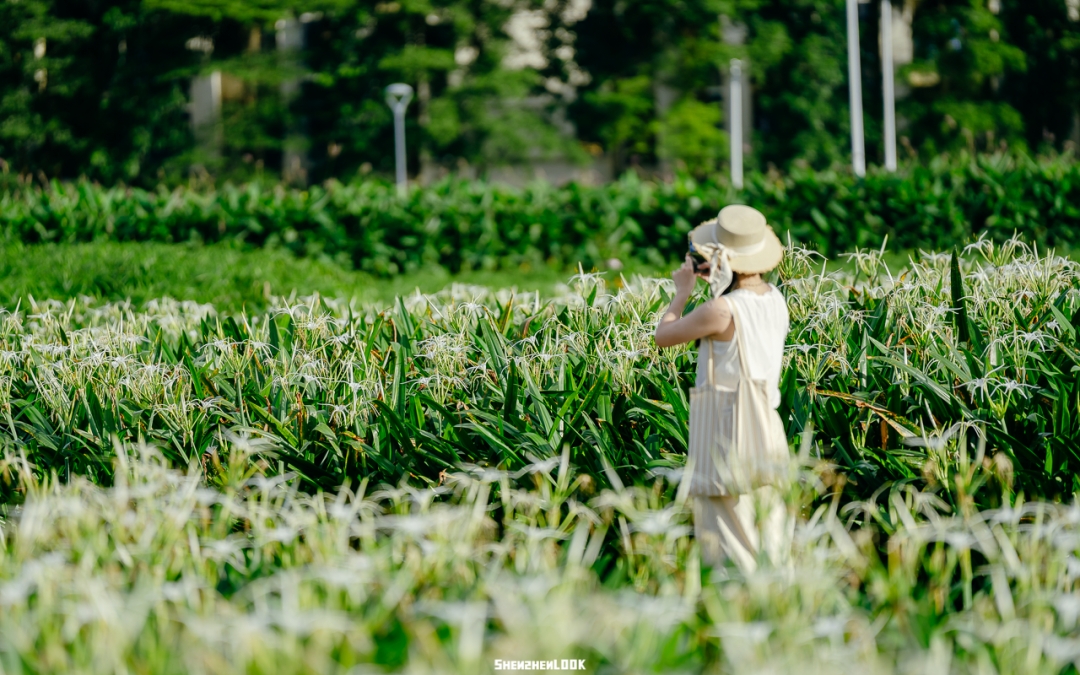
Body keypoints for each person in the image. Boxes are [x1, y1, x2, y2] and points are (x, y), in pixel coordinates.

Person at [653, 204, 792, 572]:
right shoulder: (776, 300)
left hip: (729, 433)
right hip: (767, 429)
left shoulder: (722, 310)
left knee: (730, 542)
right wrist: (718, 284)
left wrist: (682, 291)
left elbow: (664, 336)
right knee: (769, 535)